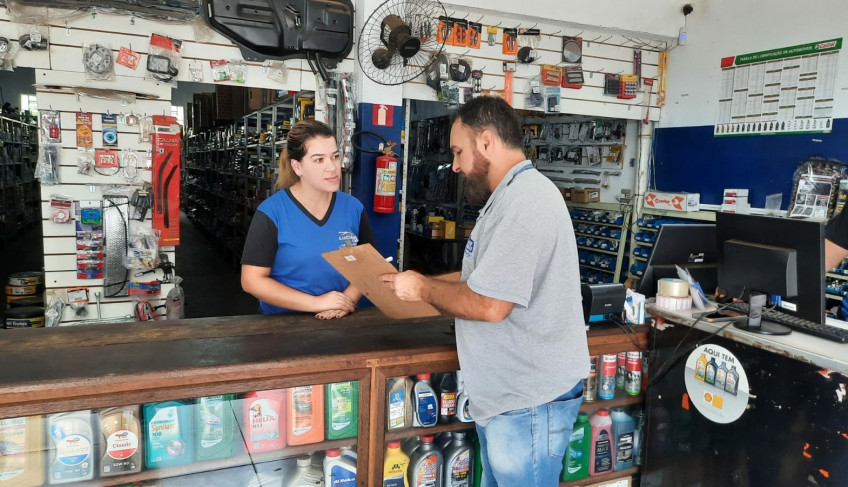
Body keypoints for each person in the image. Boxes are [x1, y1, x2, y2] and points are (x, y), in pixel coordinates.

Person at [379, 96, 589, 486]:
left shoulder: (527, 202)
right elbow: (483, 278)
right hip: (510, 400)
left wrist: (424, 288)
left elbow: (491, 305)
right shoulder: (509, 197)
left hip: (528, 402)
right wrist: (415, 282)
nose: (455, 165)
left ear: (487, 141)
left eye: (459, 151)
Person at [241, 120, 376, 319]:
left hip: (339, 318)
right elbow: (251, 281)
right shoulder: (272, 212)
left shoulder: (353, 208)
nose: (332, 167)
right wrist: (316, 303)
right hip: (282, 323)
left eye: (335, 157)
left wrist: (344, 301)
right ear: (297, 166)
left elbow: (370, 264)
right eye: (319, 160)